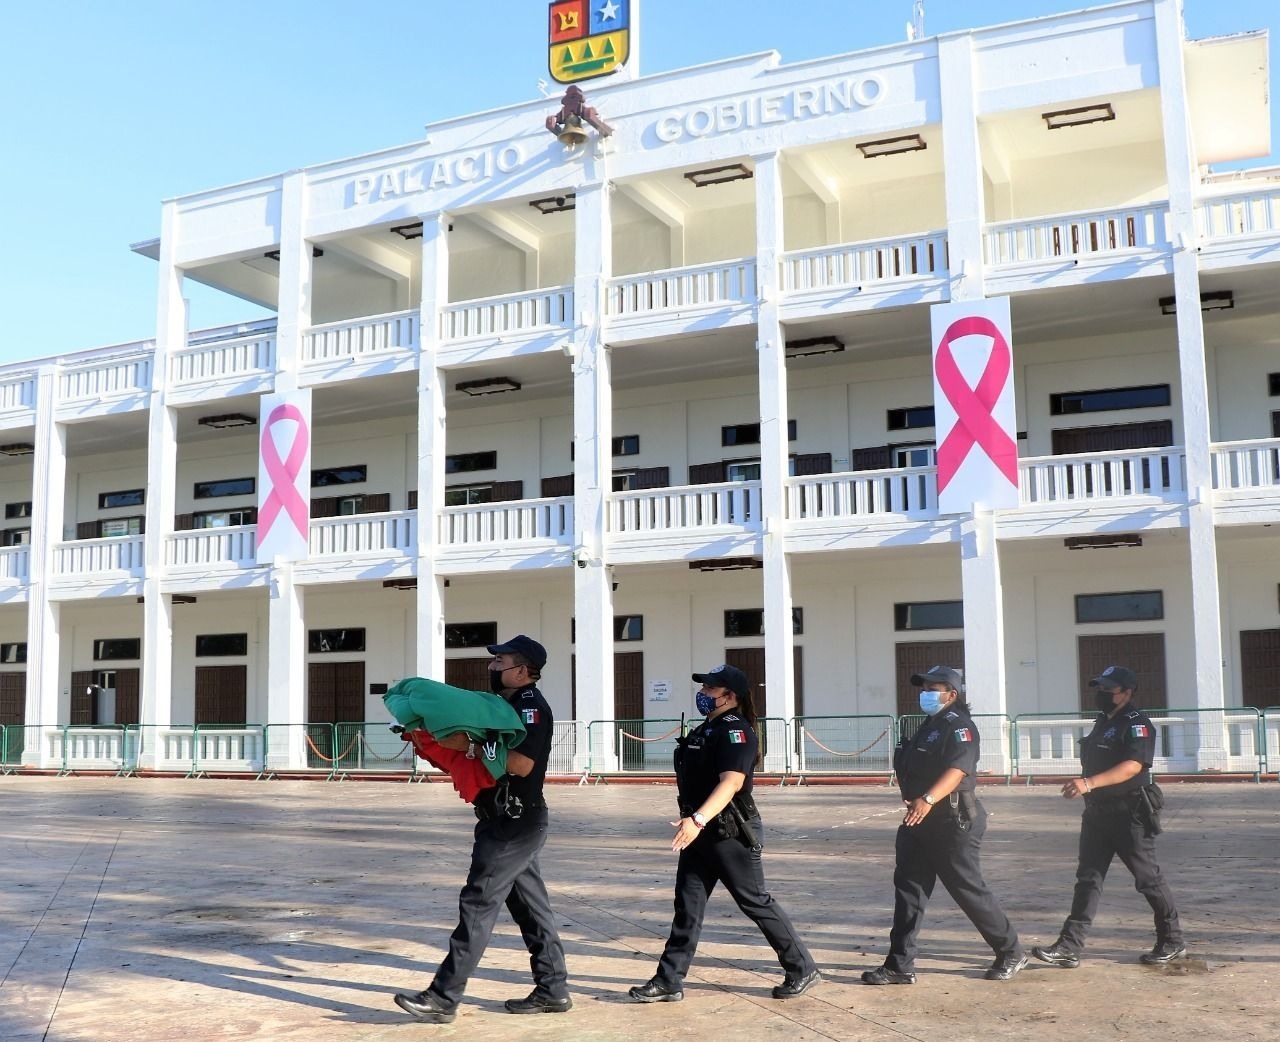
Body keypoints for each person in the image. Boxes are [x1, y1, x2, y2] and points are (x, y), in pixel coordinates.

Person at [393, 635, 571, 1023]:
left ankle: (444, 996)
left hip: (515, 822)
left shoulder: (530, 708)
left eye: (500, 661)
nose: (492, 668)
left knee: (477, 903)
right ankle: (553, 988)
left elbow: (522, 764)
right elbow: (482, 754)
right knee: (531, 910)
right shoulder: (500, 706)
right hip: (503, 819)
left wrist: (473, 746)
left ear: (522, 671)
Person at [628, 663, 820, 1004]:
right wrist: (695, 822)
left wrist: (697, 819)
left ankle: (802, 967)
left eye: (709, 690)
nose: (702, 694)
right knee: (688, 906)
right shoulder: (708, 728)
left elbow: (731, 783)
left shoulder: (736, 731)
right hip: (700, 831)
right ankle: (669, 979)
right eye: (702, 688)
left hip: (729, 832)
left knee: (755, 901)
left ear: (729, 696)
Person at [862, 665, 1027, 985]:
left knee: (967, 889)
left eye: (932, 688)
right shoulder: (928, 726)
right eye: (923, 687)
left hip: (952, 820)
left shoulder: (959, 727)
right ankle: (899, 965)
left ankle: (1010, 950)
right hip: (918, 820)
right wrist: (913, 798)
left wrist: (927, 798)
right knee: (909, 891)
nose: (925, 693)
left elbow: (958, 770)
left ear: (951, 694)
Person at [1032, 665, 1185, 969]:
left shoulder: (1137, 724)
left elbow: (1133, 766)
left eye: (1109, 690)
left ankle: (1172, 939)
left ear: (1127, 693)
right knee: (1088, 879)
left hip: (1129, 814)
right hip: (1097, 814)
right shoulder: (1102, 722)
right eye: (1099, 688)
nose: (1102, 694)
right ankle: (1069, 946)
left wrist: (1088, 783)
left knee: (1147, 879)